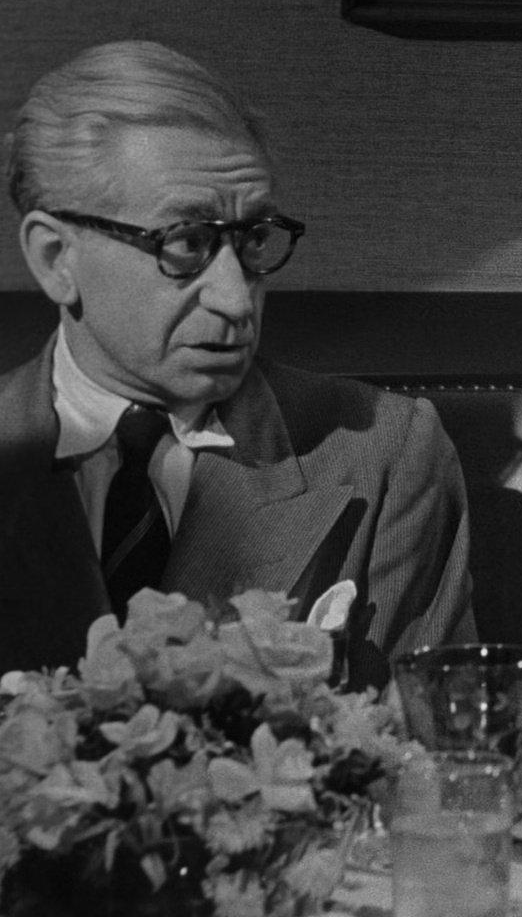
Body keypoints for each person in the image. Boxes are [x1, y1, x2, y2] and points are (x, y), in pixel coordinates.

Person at [0, 40, 476, 691]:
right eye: (185, 243)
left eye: (252, 239)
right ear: (56, 258)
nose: (235, 299)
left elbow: (423, 744)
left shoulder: (385, 455)